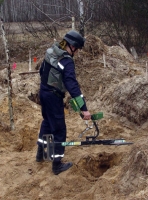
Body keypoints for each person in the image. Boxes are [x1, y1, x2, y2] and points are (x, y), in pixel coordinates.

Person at [36, 30, 91, 175]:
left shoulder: (51, 51)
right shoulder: (66, 61)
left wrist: (46, 87)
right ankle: (57, 165)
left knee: (47, 122)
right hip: (53, 97)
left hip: (43, 92)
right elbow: (72, 86)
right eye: (78, 49)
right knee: (59, 129)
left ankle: (41, 154)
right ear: (72, 46)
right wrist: (84, 108)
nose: (78, 52)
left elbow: (41, 71)